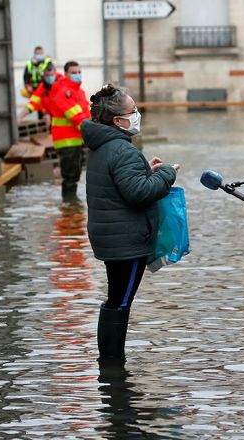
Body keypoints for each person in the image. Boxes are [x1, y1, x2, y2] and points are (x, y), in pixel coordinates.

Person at [81, 84, 179, 361]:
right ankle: (112, 366)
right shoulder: (121, 149)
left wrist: (145, 170)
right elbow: (139, 193)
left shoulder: (105, 146)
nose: (137, 114)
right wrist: (168, 174)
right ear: (117, 121)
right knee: (120, 302)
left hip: (111, 237)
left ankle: (110, 365)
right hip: (127, 241)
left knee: (117, 298)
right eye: (132, 111)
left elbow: (122, 184)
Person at [47, 60, 90, 201]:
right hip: (66, 141)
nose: (77, 75)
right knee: (70, 176)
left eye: (79, 72)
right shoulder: (65, 93)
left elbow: (86, 114)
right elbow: (76, 116)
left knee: (75, 174)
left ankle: (71, 205)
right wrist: (93, 130)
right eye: (73, 73)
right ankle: (69, 204)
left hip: (75, 140)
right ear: (66, 74)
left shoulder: (78, 92)